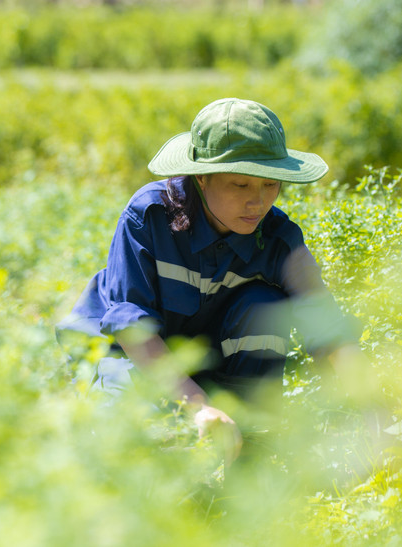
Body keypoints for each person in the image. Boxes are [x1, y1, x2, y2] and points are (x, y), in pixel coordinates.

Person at [58, 98, 364, 462]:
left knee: (264, 304)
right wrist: (197, 405)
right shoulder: (149, 216)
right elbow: (130, 328)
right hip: (130, 356)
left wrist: (377, 405)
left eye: (270, 184)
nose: (258, 201)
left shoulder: (277, 238)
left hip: (211, 363)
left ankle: (249, 442)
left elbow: (326, 326)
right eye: (240, 184)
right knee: (127, 441)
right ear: (200, 178)